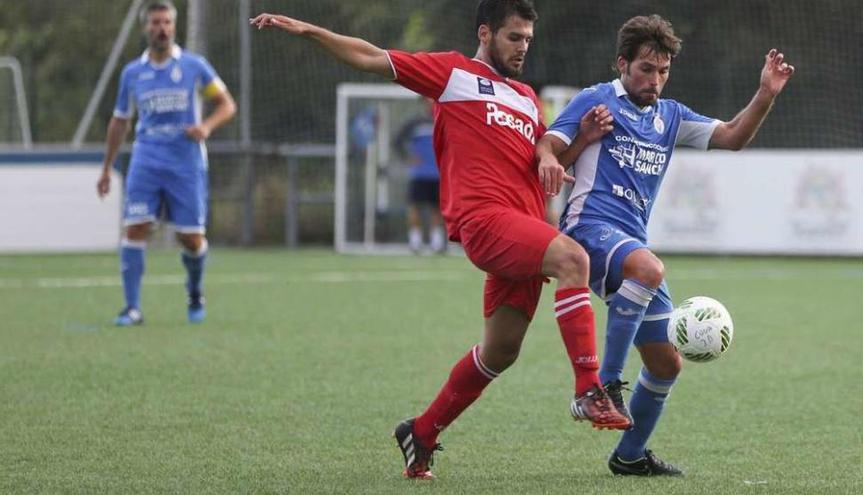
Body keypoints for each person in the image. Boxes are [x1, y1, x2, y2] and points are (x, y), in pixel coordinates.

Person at [251, 0, 629, 480]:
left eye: (528, 40)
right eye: (514, 37)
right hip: (485, 220)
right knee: (574, 259)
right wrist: (307, 30)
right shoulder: (453, 74)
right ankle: (589, 390)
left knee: (501, 352)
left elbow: (539, 163)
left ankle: (421, 433)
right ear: (486, 32)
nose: (523, 48)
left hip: (524, 225)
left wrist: (570, 148)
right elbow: (370, 56)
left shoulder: (528, 98)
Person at [535, 15, 794, 476]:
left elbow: (733, 137)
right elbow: (548, 145)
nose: (655, 80)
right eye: (646, 69)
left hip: (630, 245)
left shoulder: (670, 116)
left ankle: (630, 456)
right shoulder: (596, 100)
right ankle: (600, 388)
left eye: (663, 71)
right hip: (587, 229)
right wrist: (556, 157)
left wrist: (766, 94)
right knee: (650, 269)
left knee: (667, 362)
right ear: (623, 64)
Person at [96, 0, 237, 326]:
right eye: (155, 23)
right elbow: (120, 121)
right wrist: (107, 168)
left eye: (167, 23)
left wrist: (206, 127)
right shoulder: (132, 73)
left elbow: (227, 105)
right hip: (146, 159)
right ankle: (132, 308)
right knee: (136, 227)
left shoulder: (194, 66)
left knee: (190, 238)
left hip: (186, 162)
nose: (161, 29)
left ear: (174, 27)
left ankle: (195, 290)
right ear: (145, 28)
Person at [393, 97, 445, 254]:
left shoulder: (443, 120)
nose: (430, 103)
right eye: (427, 100)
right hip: (419, 174)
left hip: (439, 174)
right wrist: (407, 157)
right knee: (414, 206)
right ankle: (415, 242)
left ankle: (437, 242)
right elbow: (396, 142)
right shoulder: (413, 123)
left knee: (438, 208)